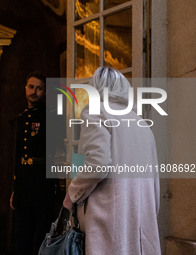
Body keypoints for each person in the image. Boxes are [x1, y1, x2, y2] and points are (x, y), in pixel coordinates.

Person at [63, 67, 161, 254]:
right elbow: (154, 181)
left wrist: (73, 192)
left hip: (108, 222)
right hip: (140, 226)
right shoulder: (142, 123)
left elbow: (97, 164)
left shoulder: (96, 112)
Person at [10, 71, 57, 255]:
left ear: (44, 92)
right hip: (23, 186)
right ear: (25, 88)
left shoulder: (50, 116)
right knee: (21, 236)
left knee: (42, 235)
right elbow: (18, 156)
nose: (34, 92)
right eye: (31, 87)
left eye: (39, 88)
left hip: (42, 183)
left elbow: (58, 153)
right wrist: (15, 188)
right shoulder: (21, 118)